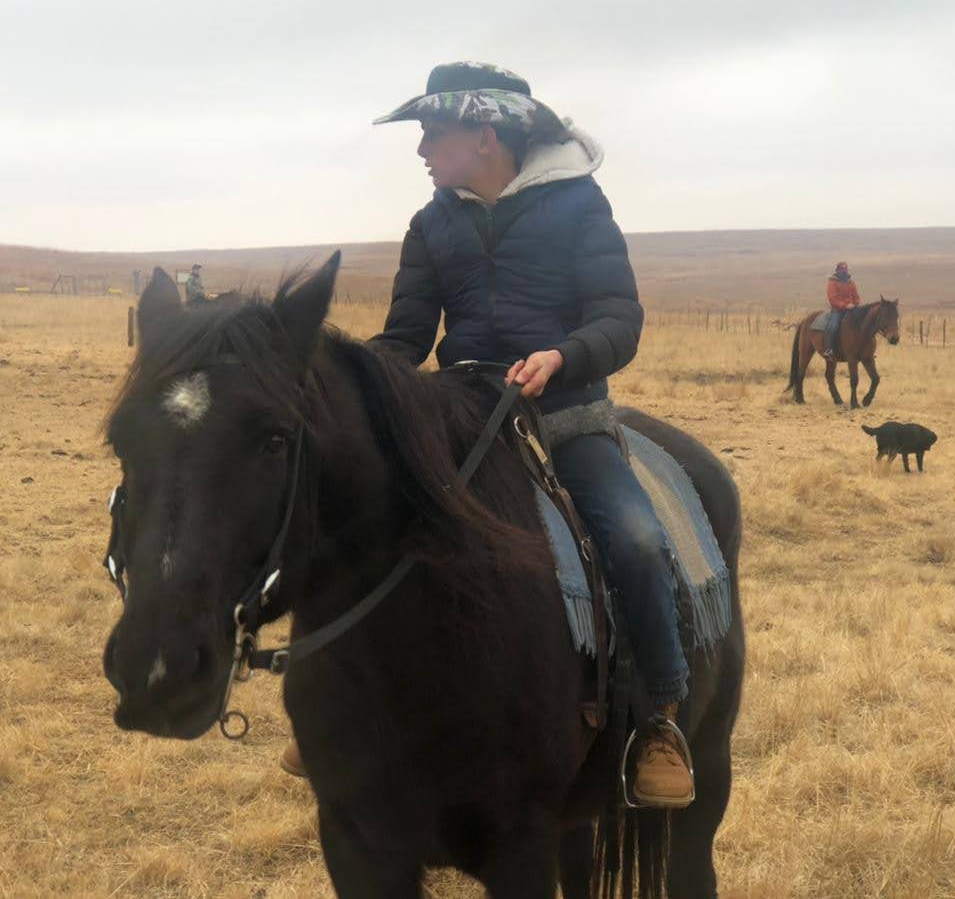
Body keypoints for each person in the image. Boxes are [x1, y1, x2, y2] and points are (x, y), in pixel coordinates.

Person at [282, 62, 694, 808]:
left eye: (431, 133)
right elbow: (407, 336)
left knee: (635, 540)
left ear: (484, 136)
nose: (420, 151)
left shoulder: (580, 204)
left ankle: (659, 720)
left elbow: (618, 318)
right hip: (461, 410)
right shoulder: (431, 223)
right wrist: (346, 381)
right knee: (360, 518)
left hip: (565, 415)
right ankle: (340, 699)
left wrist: (562, 356)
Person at [824, 261, 860, 359]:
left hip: (852, 309)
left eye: (845, 269)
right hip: (837, 310)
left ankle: (866, 350)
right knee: (833, 326)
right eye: (842, 269)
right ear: (837, 271)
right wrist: (845, 305)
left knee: (863, 323)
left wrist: (855, 303)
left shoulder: (851, 282)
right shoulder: (832, 282)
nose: (844, 271)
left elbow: (856, 297)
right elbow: (832, 298)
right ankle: (829, 349)